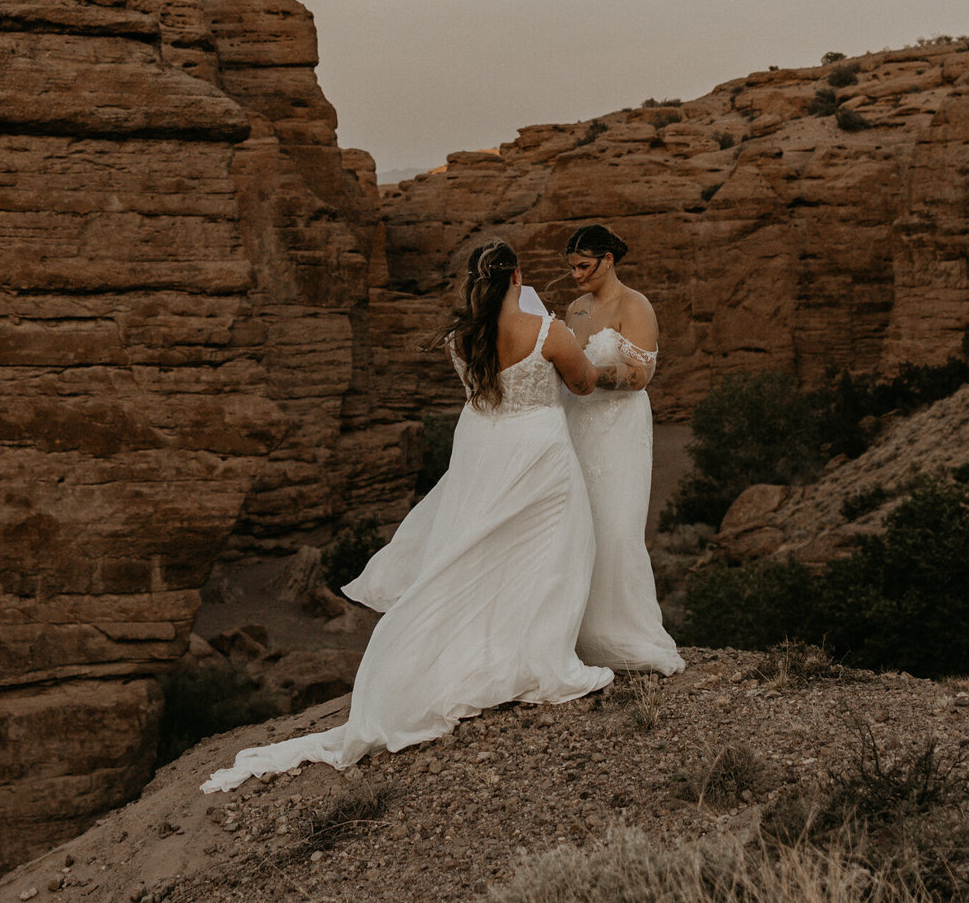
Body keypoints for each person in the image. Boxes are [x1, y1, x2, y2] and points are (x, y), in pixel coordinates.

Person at [202, 239, 611, 793]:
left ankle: (474, 654)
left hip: (481, 448)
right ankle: (531, 655)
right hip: (537, 446)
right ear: (516, 276)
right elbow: (583, 384)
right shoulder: (549, 333)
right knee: (547, 549)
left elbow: (483, 392)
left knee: (473, 551)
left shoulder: (459, 338)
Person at [563, 223, 685, 677]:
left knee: (616, 526)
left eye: (583, 266)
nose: (576, 276)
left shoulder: (635, 305)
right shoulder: (575, 309)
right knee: (579, 523)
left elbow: (639, 376)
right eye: (572, 267)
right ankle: (577, 634)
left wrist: (588, 377)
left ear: (608, 260)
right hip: (577, 423)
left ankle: (626, 634)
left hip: (618, 428)